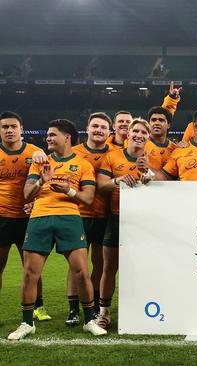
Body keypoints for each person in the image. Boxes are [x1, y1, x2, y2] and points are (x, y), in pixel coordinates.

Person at [8, 119, 106, 340]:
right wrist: (42, 182)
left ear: (67, 137)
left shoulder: (83, 165)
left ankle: (89, 319)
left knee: (81, 272)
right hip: (39, 218)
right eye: (47, 135)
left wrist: (69, 190)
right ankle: (26, 322)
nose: (48, 138)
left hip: (70, 219)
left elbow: (88, 198)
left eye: (53, 135)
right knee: (30, 274)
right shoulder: (40, 163)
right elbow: (26, 194)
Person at [95, 118, 154, 330]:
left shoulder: (154, 157)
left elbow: (165, 183)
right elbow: (100, 186)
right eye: (135, 131)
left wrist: (149, 173)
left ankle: (144, 309)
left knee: (145, 267)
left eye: (143, 132)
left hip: (145, 221)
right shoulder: (112, 157)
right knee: (109, 267)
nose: (139, 135)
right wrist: (117, 180)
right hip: (117, 217)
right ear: (127, 134)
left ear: (148, 137)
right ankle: (104, 314)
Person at [66, 112, 115, 325]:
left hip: (103, 215)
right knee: (76, 265)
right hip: (77, 215)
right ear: (87, 127)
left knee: (99, 264)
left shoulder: (115, 154)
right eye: (95, 126)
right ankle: (73, 309)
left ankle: (94, 306)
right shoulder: (74, 152)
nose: (98, 130)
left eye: (103, 127)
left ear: (109, 132)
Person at [0, 111, 47, 321]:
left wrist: (35, 203)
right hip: (1, 217)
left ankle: (39, 307)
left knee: (32, 266)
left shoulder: (36, 152)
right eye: (5, 127)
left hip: (29, 218)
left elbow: (46, 183)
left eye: (13, 126)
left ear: (21, 129)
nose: (9, 130)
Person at [145, 106, 177, 170]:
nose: (156, 123)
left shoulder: (175, 149)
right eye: (153, 120)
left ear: (168, 125)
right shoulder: (140, 145)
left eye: (161, 120)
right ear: (149, 124)